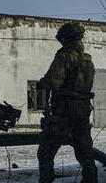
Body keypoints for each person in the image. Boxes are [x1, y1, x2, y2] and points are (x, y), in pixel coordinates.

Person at [37, 23, 97, 183]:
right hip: (83, 110)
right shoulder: (88, 59)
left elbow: (54, 82)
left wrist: (43, 82)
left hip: (64, 110)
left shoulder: (64, 56)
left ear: (66, 39)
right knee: (85, 153)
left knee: (45, 151)